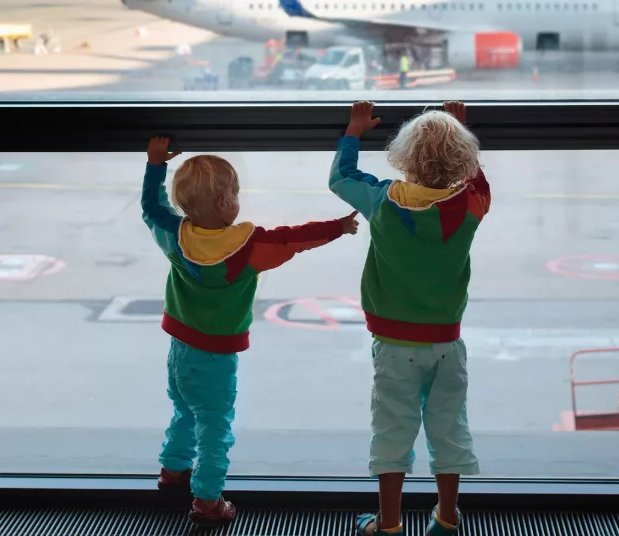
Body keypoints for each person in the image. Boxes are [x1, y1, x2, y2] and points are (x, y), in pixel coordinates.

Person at [142, 138, 359, 526]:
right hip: (216, 356)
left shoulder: (172, 236)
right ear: (227, 202)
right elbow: (294, 238)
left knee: (184, 411)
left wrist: (155, 164)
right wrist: (338, 227)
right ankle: (207, 502)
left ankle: (172, 470)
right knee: (215, 427)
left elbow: (151, 208)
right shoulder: (250, 247)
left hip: (179, 349)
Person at [329, 101, 489, 535]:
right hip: (446, 344)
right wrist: (457, 125)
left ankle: (389, 523)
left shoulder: (382, 200)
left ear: (402, 157)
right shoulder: (471, 204)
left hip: (395, 344)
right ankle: (447, 518)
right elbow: (479, 183)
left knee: (392, 431)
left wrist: (354, 131)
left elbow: (340, 178)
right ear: (464, 158)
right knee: (449, 428)